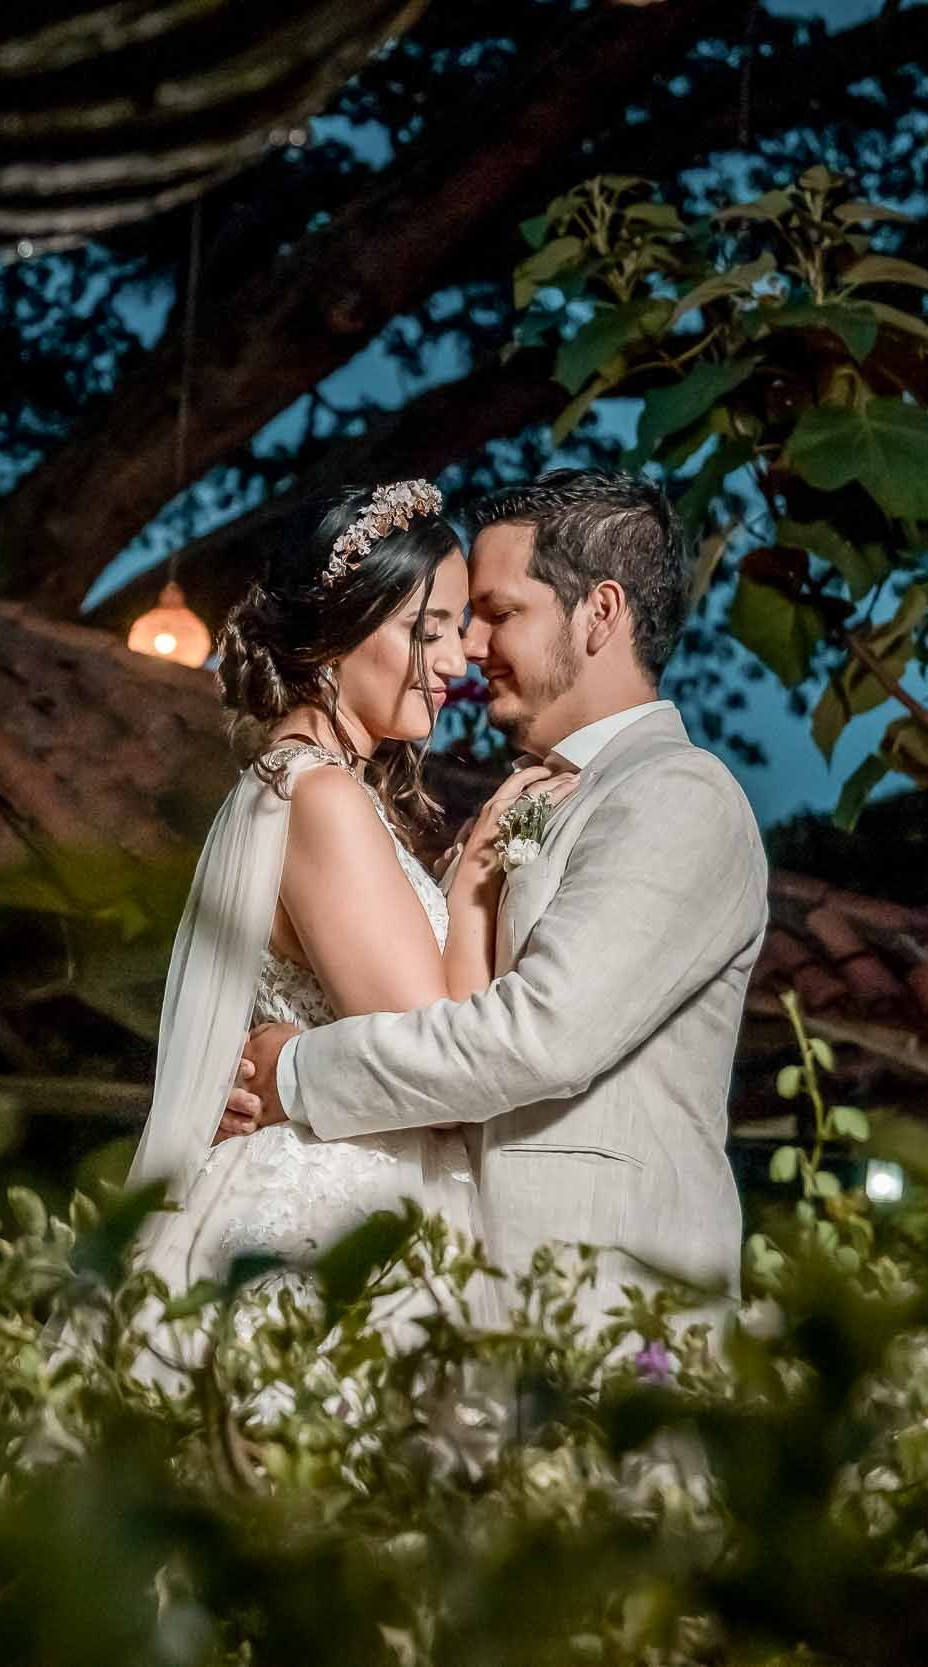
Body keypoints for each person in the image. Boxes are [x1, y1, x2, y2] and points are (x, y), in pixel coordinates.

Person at [222, 469, 768, 1339]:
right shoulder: (507, 801)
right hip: (459, 1296)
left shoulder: (677, 796)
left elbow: (535, 1037)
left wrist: (292, 1072)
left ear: (600, 613)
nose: (470, 647)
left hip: (605, 1309)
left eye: (499, 613)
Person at [123, 480, 565, 1315]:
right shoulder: (318, 795)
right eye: (424, 629)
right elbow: (441, 1061)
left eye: (457, 627)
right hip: (336, 1214)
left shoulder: (303, 787)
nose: (455, 657)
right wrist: (481, 865)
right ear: (334, 637)